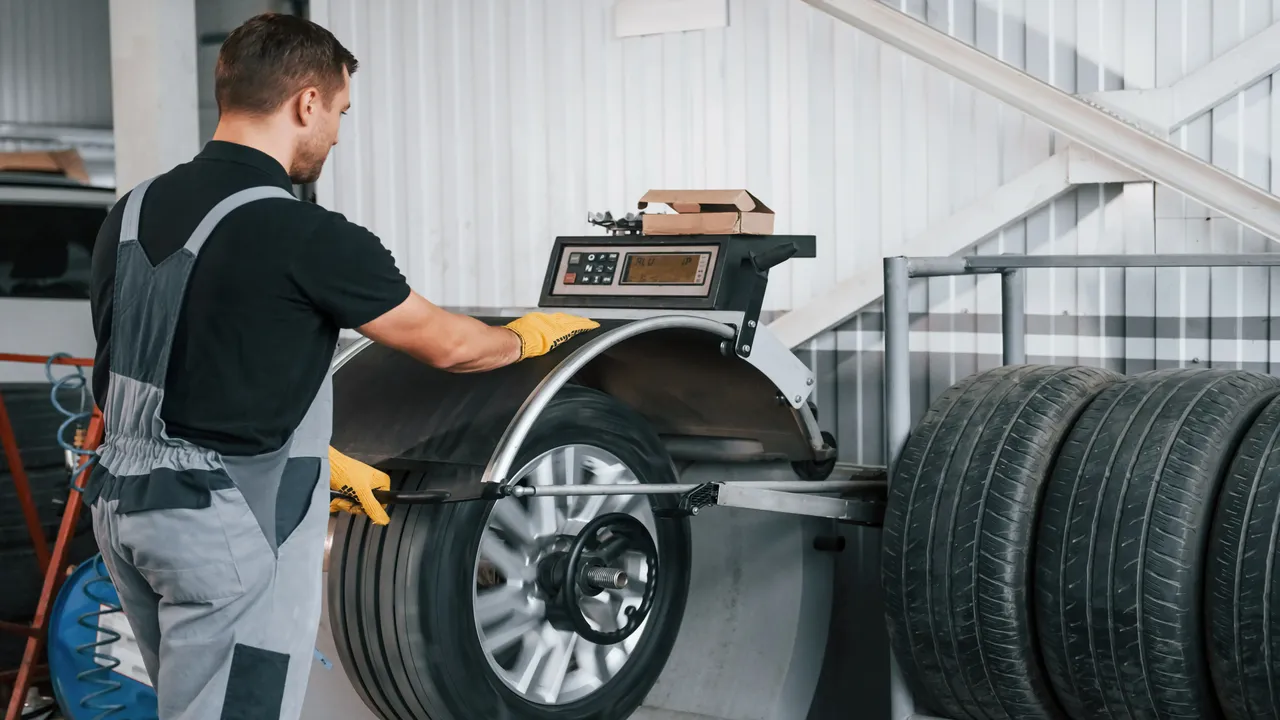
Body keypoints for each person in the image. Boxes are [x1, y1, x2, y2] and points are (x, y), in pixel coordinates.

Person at [84, 12, 597, 720]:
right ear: (307, 102)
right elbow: (447, 344)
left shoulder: (129, 213)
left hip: (125, 513)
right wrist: (527, 339)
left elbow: (147, 375)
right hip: (224, 533)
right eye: (340, 113)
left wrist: (316, 464)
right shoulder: (304, 234)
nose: (334, 135)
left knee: (192, 704)